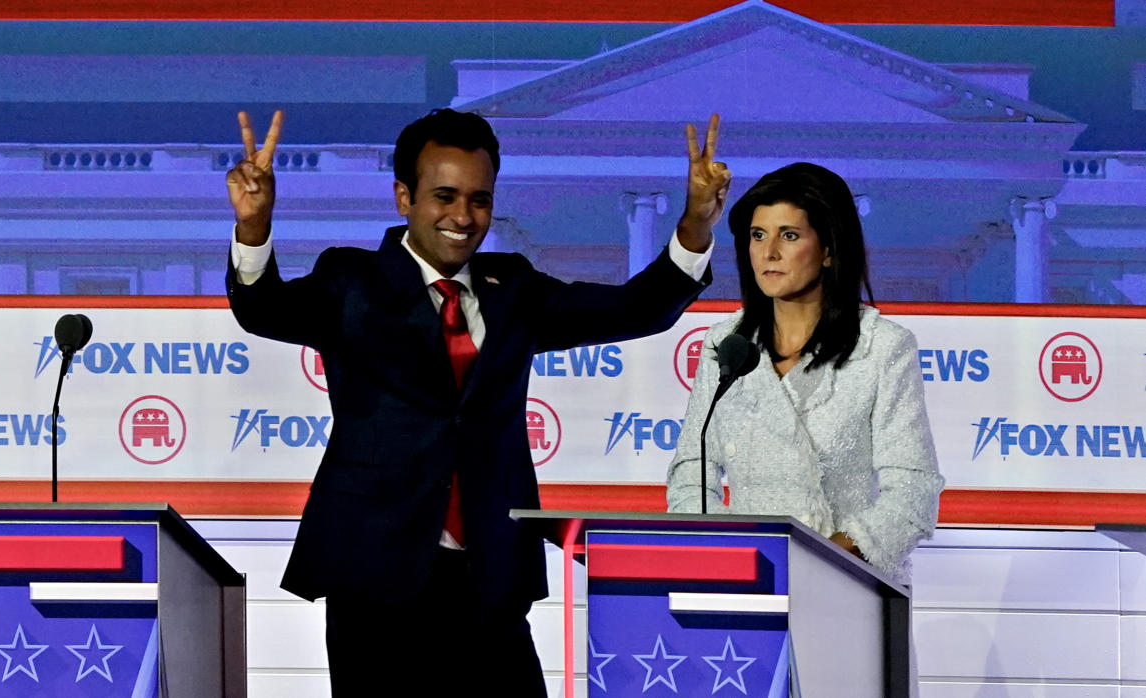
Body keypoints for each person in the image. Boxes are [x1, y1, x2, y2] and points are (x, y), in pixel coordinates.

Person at [224, 108, 730, 695]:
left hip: (490, 570)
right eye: (444, 196)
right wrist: (255, 229)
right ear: (403, 197)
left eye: (479, 199)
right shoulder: (351, 281)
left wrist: (694, 224)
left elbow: (635, 309)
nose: (464, 217)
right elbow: (265, 311)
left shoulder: (512, 287)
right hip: (375, 570)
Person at [665, 162, 944, 586]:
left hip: (847, 588)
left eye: (789, 235)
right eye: (758, 236)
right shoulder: (726, 343)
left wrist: (821, 562)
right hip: (744, 589)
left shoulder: (883, 347)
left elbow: (913, 494)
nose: (769, 252)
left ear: (829, 249)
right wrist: (733, 559)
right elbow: (691, 473)